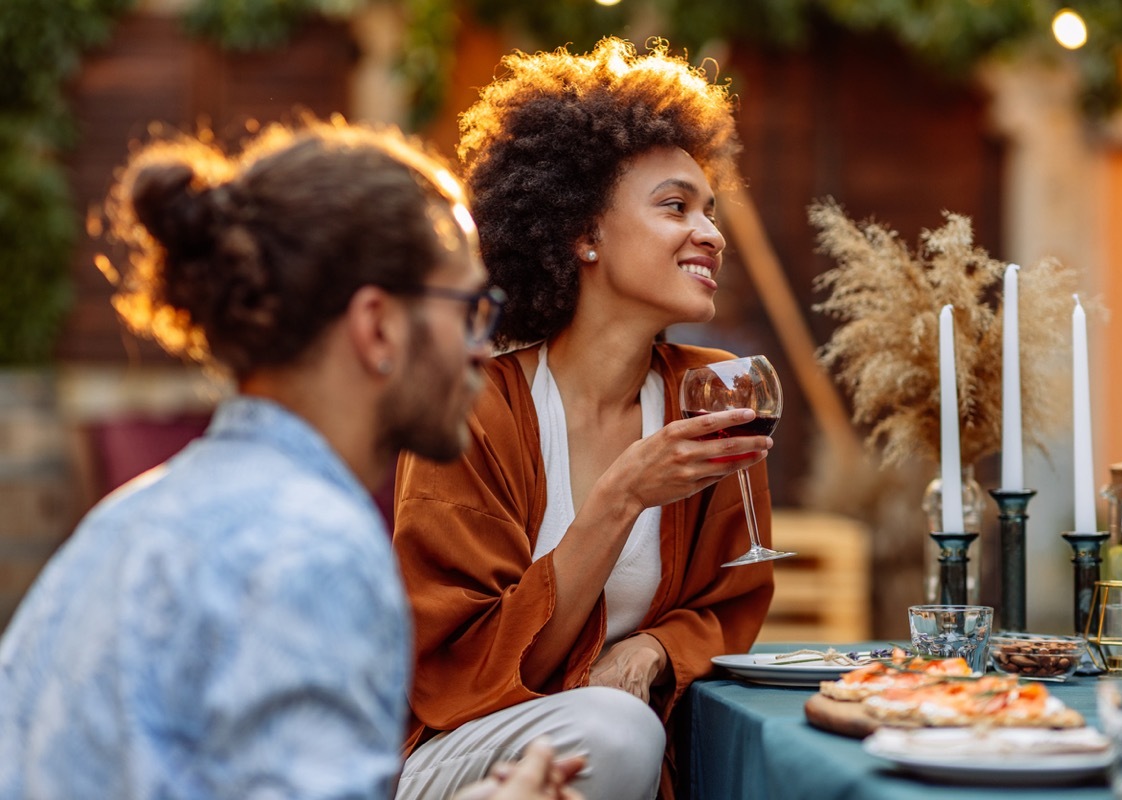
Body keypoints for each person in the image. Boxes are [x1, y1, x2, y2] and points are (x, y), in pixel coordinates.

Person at [0, 118, 581, 799]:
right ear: (378, 327)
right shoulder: (315, 553)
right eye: (471, 309)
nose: (485, 346)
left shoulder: (124, 522)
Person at [392, 38, 775, 800]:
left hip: (611, 753)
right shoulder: (474, 409)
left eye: (709, 209)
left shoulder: (714, 395)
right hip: (468, 749)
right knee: (617, 729)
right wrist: (621, 499)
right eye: (675, 207)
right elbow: (463, 672)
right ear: (583, 233)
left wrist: (655, 650)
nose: (711, 233)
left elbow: (730, 602)